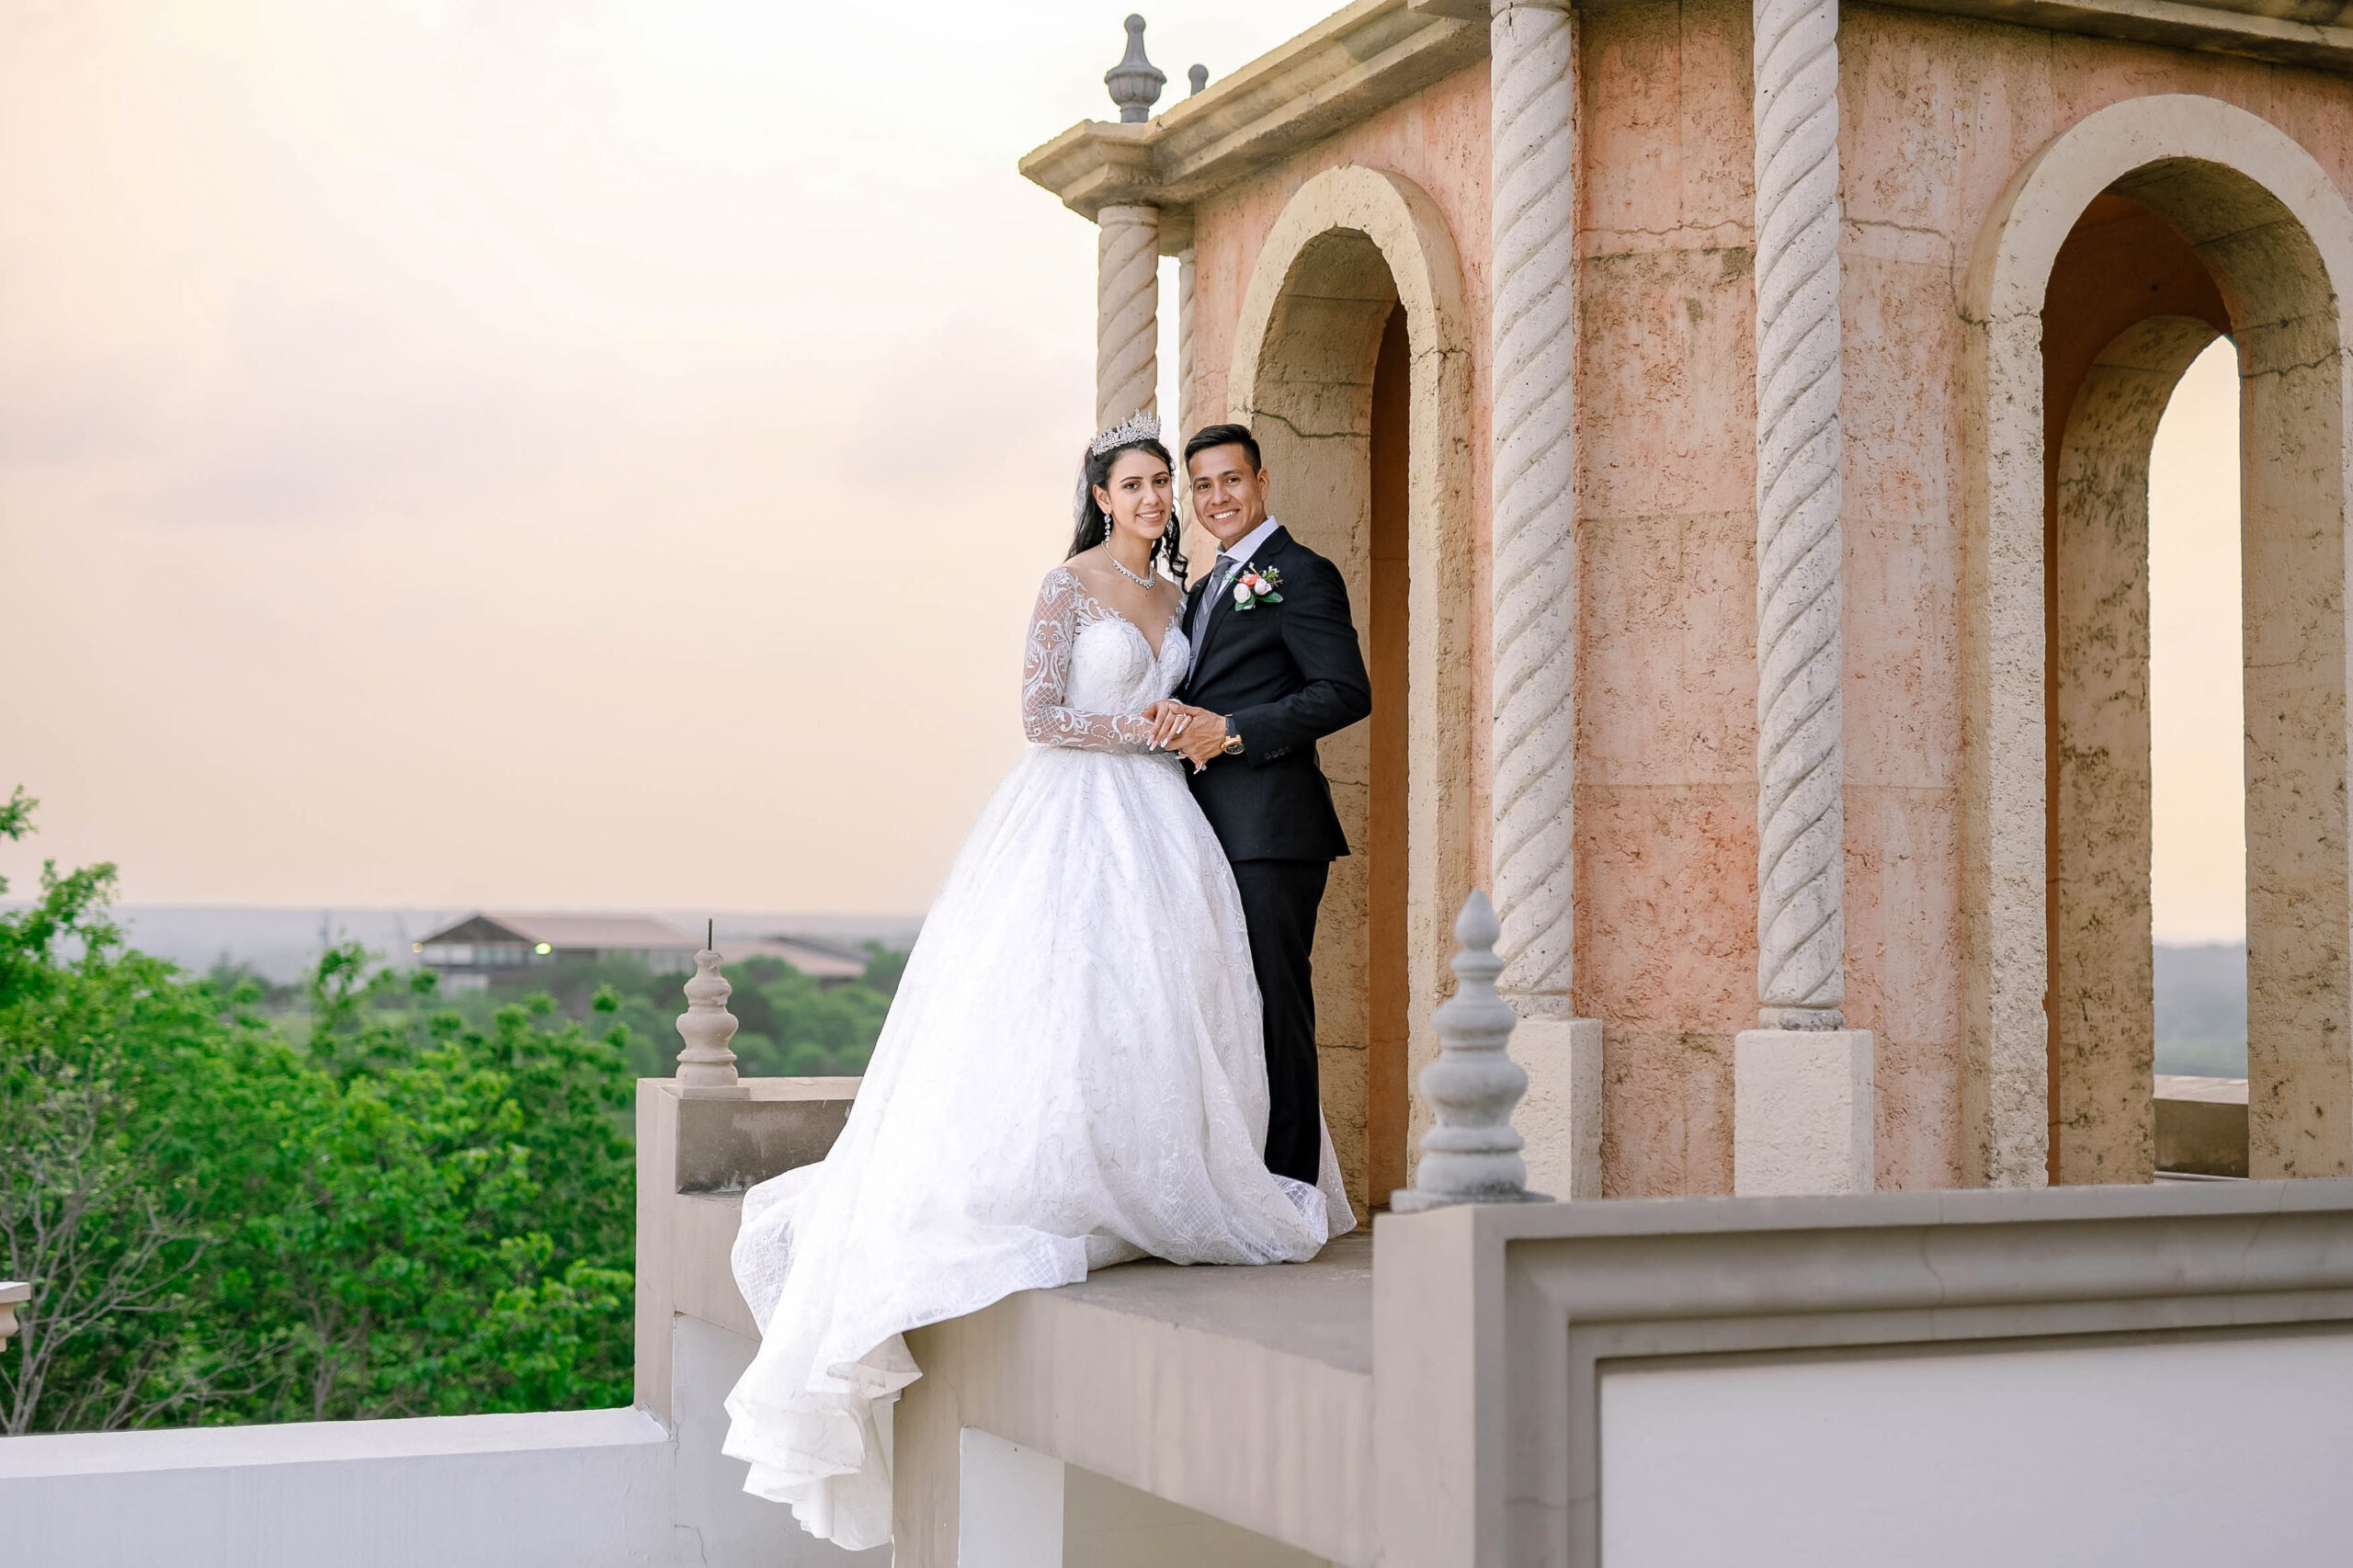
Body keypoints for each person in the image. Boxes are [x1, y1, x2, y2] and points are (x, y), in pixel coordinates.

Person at [721, 413, 1353, 1551]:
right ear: (1103, 495)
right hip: (1080, 809)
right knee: (1061, 999)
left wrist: (1190, 733)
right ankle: (1063, 1167)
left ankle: (1209, 1165)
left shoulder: (1188, 595)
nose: (1163, 497)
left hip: (1181, 825)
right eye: (1144, 482)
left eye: (1176, 481)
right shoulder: (1070, 584)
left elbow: (1295, 690)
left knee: (1181, 1006)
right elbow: (1039, 714)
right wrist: (1147, 730)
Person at [1146, 423, 1373, 1185]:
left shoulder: (1300, 573)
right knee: (1224, 1010)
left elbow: (1344, 691)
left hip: (1272, 831)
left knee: (1277, 1006)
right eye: (1202, 486)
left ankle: (1293, 1190)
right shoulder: (1205, 587)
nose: (1218, 498)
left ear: (1262, 481)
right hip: (1201, 828)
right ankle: (1235, 1182)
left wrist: (1235, 732)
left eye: (1231, 480)